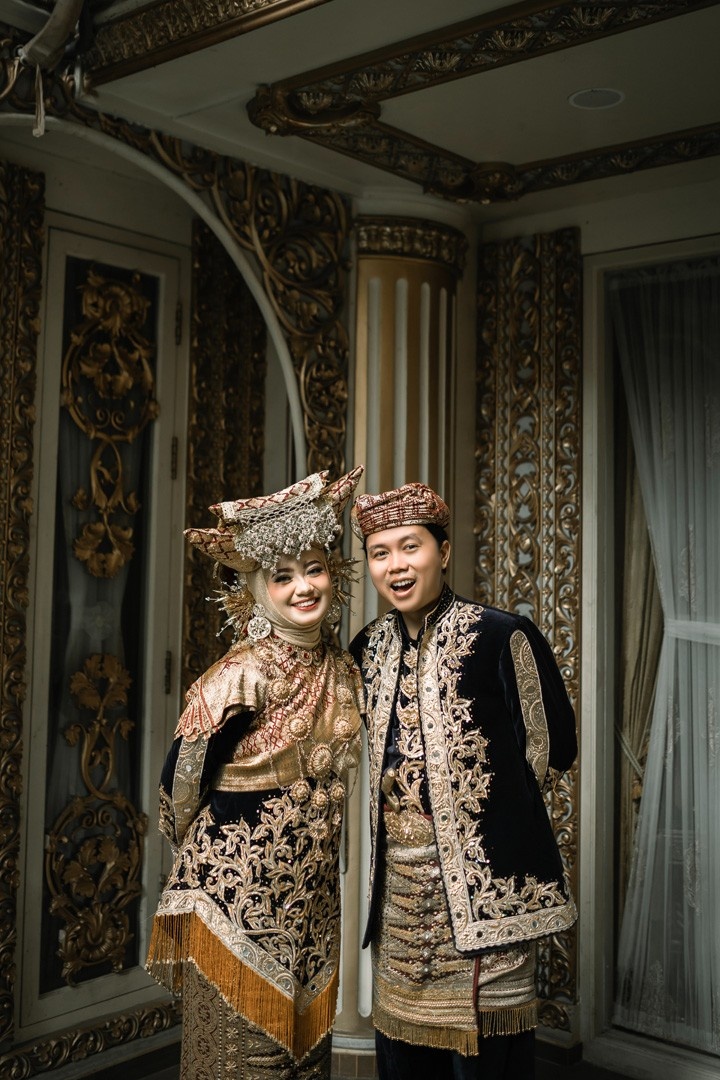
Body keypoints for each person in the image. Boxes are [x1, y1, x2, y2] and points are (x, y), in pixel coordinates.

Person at [349, 482, 577, 1080]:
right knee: (405, 1064)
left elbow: (553, 747)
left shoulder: (502, 635)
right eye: (379, 553)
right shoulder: (366, 648)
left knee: (486, 1066)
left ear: (443, 552)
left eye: (411, 546)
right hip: (400, 899)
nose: (396, 565)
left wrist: (485, 816)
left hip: (485, 893)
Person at [146, 467, 365, 1080]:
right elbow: (179, 787)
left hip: (310, 902)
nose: (304, 587)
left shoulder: (343, 667)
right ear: (256, 589)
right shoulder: (240, 675)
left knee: (305, 1061)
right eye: (283, 575)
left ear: (334, 572)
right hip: (235, 900)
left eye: (314, 568)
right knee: (244, 1063)